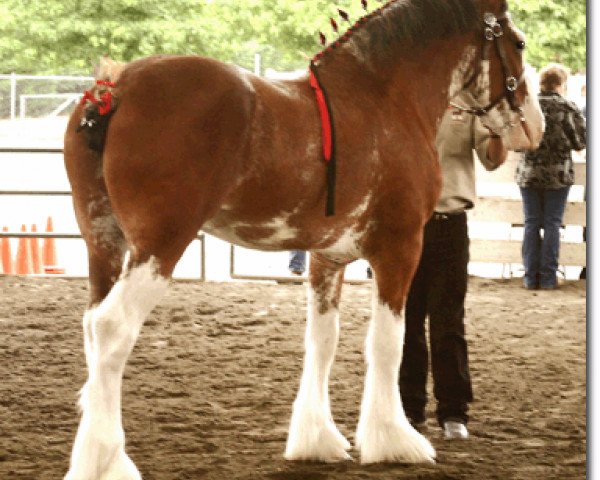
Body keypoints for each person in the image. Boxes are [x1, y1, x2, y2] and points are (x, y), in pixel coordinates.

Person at [399, 106, 508, 440]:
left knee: (448, 322)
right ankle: (408, 409)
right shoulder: (400, 99)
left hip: (450, 224)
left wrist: (497, 132)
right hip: (402, 227)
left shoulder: (467, 104)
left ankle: (453, 411)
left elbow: (493, 159)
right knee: (405, 321)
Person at [515, 64, 586, 290]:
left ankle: (529, 277)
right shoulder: (568, 108)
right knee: (553, 223)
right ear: (561, 84)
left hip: (529, 174)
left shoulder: (527, 107)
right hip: (558, 174)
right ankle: (547, 278)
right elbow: (580, 142)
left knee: (531, 222)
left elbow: (516, 141)